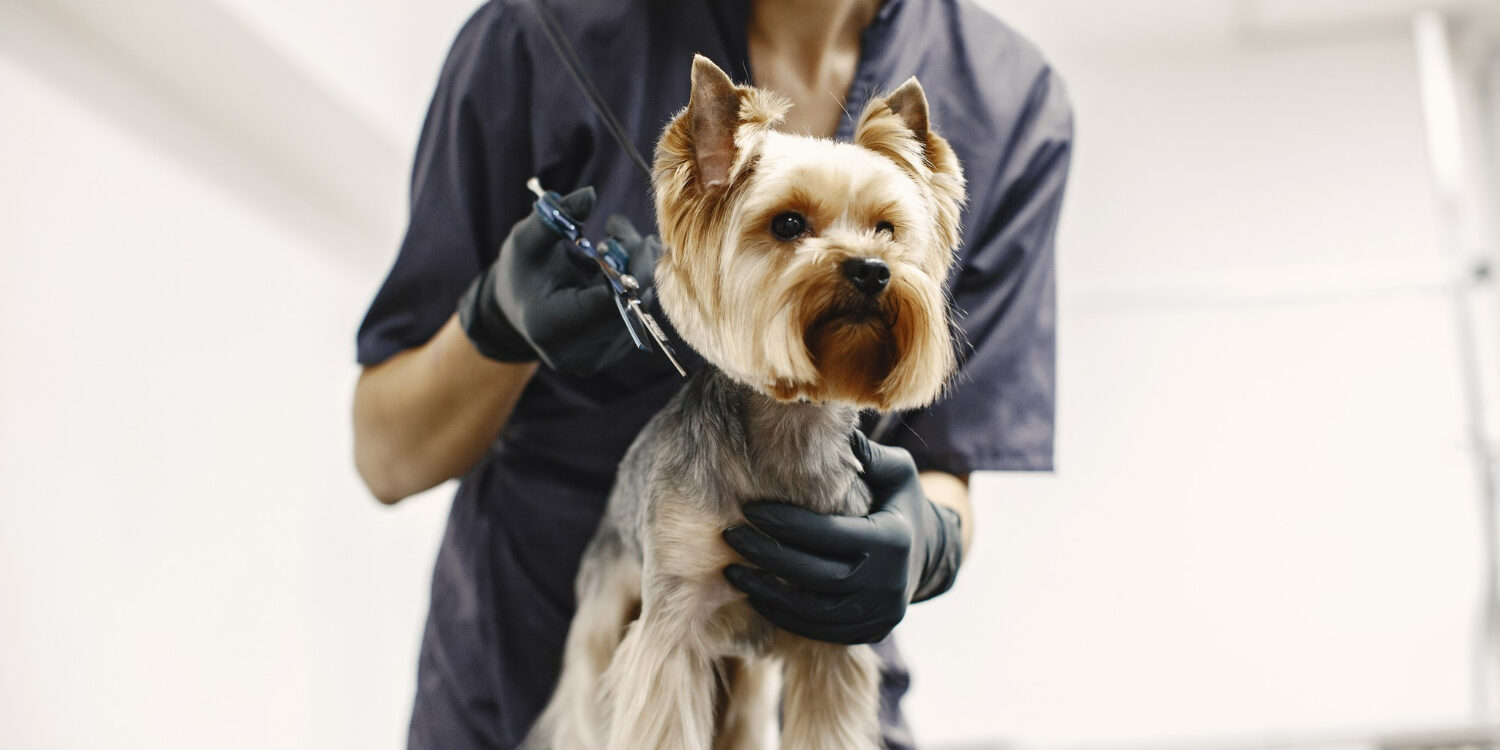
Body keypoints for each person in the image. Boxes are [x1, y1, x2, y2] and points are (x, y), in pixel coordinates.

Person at [351, 0, 1071, 747]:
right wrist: (493, 326)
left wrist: (930, 541)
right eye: (791, 225)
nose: (862, 258)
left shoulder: (1011, 96)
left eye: (887, 230)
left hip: (822, 636)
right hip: (526, 646)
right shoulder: (541, 32)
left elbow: (950, 461)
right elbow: (384, 457)